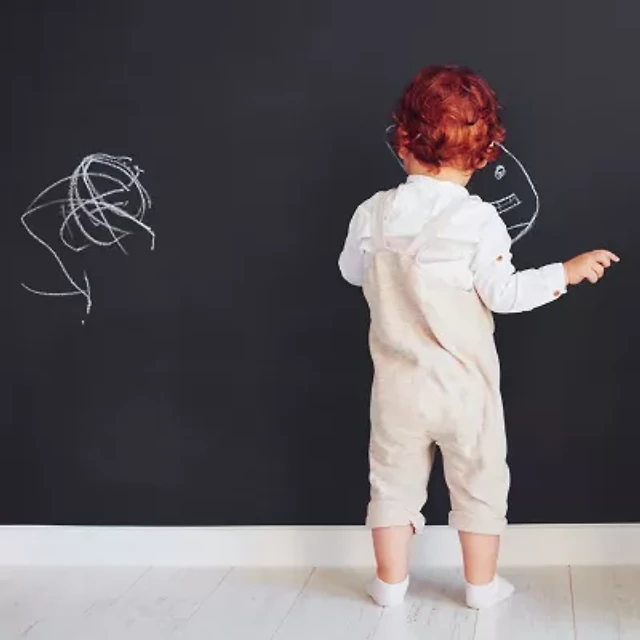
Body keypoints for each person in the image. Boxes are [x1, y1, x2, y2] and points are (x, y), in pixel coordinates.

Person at [338, 65, 618, 610]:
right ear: (485, 155)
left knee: (392, 485)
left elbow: (351, 272)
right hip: (466, 389)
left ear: (402, 141)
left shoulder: (372, 213)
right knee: (479, 482)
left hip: (397, 389)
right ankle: (482, 587)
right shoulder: (479, 219)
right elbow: (504, 294)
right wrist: (564, 272)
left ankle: (390, 585)